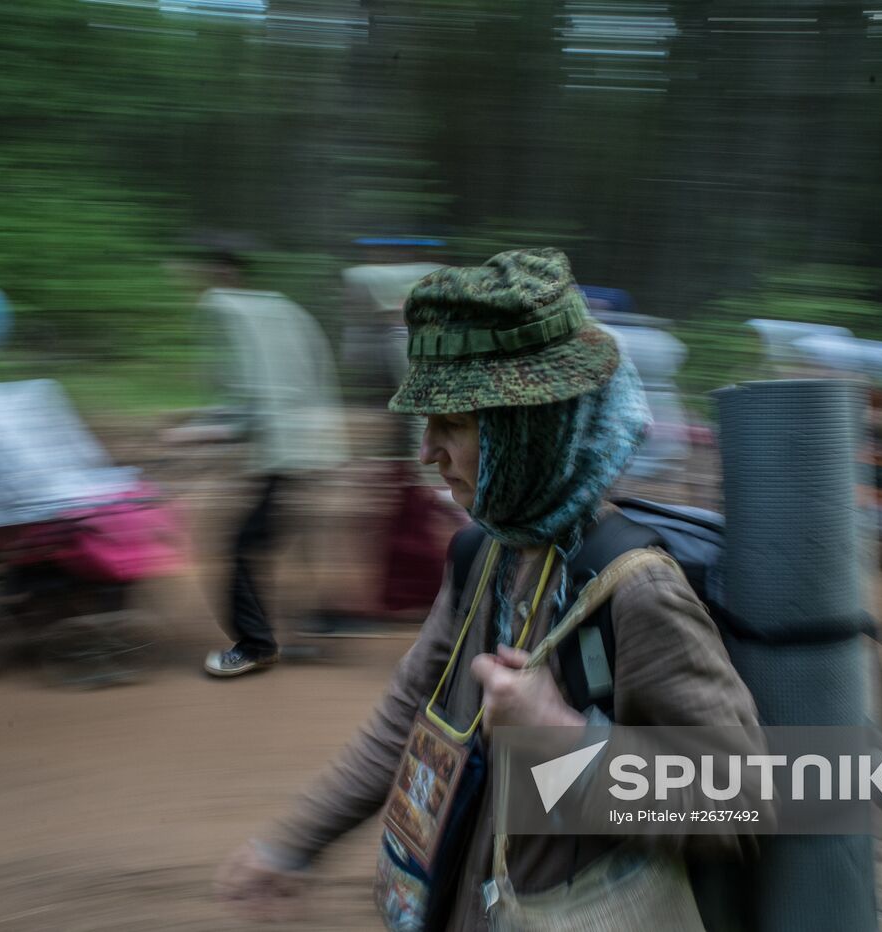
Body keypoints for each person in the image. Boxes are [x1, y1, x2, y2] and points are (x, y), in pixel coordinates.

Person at [215, 248, 762, 929]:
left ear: (528, 430)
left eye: (455, 424)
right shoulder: (485, 555)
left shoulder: (637, 591)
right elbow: (406, 720)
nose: (427, 451)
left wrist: (563, 736)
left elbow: (740, 801)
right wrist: (290, 846)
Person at [192, 240, 348, 677]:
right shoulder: (274, 311)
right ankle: (315, 620)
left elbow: (250, 397)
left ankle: (257, 643)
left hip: (285, 456)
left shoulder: (233, 313)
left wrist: (208, 431)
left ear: (221, 272)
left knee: (242, 547)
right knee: (278, 538)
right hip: (306, 447)